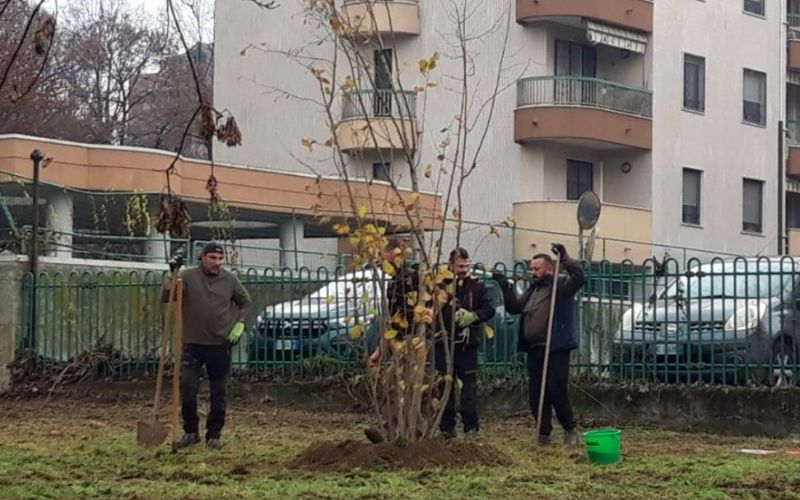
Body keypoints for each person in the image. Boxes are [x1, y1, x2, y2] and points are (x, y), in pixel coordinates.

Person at [161, 241, 251, 450]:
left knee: (219, 392)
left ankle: (214, 435)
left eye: (220, 259)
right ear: (202, 257)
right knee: (188, 389)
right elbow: (166, 297)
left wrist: (239, 324)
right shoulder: (189, 277)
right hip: (192, 343)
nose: (217, 263)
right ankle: (191, 432)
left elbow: (245, 302)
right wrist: (172, 275)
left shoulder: (230, 280)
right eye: (212, 258)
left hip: (221, 343)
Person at [492, 244, 585, 446]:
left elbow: (580, 278)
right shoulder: (533, 290)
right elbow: (514, 308)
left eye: (537, 269)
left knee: (556, 390)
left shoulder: (560, 286)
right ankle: (543, 433)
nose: (532, 272)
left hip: (556, 348)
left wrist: (565, 257)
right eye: (531, 269)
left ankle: (569, 430)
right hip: (535, 349)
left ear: (550, 268)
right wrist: (504, 286)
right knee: (536, 393)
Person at [435, 247, 495, 439]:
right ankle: (447, 428)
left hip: (467, 345)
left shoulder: (477, 286)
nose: (463, 269)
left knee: (468, 388)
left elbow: (489, 309)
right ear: (450, 265)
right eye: (459, 265)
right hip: (442, 343)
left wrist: (474, 316)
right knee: (445, 386)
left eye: (465, 265)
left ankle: (471, 427)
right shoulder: (440, 285)